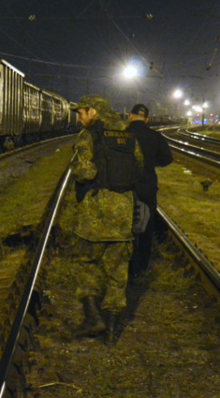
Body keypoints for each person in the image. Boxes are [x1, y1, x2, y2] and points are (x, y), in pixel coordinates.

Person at [69, 95, 143, 342]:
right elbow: (139, 165)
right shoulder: (128, 135)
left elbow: (83, 172)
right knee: (118, 270)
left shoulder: (89, 136)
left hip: (96, 212)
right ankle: (112, 331)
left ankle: (93, 319)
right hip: (123, 212)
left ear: (93, 111)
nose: (79, 119)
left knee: (85, 262)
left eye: (81, 113)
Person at [127, 104, 173, 278]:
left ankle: (126, 264)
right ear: (146, 119)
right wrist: (152, 162)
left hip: (125, 187)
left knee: (124, 226)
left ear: (130, 116)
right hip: (147, 186)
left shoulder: (123, 135)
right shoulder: (155, 136)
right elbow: (167, 159)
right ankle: (141, 267)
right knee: (146, 227)